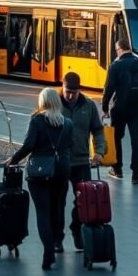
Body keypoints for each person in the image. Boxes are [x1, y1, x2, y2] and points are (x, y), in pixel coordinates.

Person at [6, 88, 73, 270]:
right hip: (61, 170)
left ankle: (48, 252)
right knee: (56, 208)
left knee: (42, 212)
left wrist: (13, 160)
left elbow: (29, 145)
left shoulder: (37, 121)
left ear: (42, 102)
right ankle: (57, 241)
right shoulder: (67, 123)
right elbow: (69, 146)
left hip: (40, 172)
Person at [59, 73, 105, 251]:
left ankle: (77, 229)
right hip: (60, 162)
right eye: (67, 92)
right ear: (62, 87)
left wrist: (99, 151)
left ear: (80, 90)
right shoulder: (54, 103)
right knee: (58, 201)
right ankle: (57, 238)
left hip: (81, 161)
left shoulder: (89, 105)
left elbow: (98, 130)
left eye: (74, 92)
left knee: (83, 201)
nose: (70, 96)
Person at [101, 39, 138, 184]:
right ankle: (135, 173)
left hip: (119, 107)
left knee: (117, 137)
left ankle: (117, 169)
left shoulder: (115, 66)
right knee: (135, 139)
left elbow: (108, 89)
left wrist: (105, 108)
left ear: (119, 49)